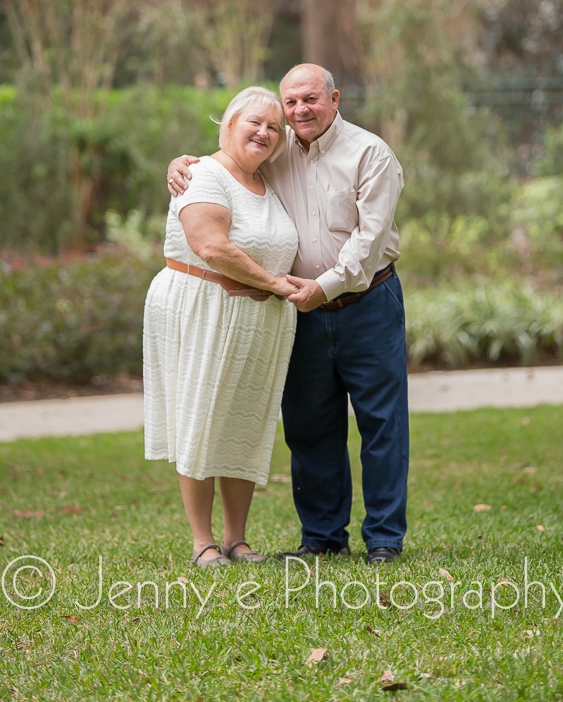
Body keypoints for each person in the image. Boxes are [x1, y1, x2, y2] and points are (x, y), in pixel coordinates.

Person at [167, 64, 409, 565]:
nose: (300, 111)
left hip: (368, 303)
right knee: (309, 425)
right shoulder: (274, 153)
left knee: (382, 424)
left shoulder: (370, 153)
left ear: (335, 98)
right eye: (291, 103)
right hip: (299, 312)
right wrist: (183, 163)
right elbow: (228, 164)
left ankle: (384, 538)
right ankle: (322, 537)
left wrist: (324, 287)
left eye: (310, 100)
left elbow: (370, 240)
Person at [145, 86, 298, 568]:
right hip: (203, 311)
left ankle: (237, 539)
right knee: (202, 419)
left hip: (256, 322)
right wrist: (276, 282)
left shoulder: (267, 180)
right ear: (228, 124)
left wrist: (271, 291)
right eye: (254, 122)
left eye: (274, 127)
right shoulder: (204, 175)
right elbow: (212, 247)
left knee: (244, 424)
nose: (264, 132)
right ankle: (202, 543)